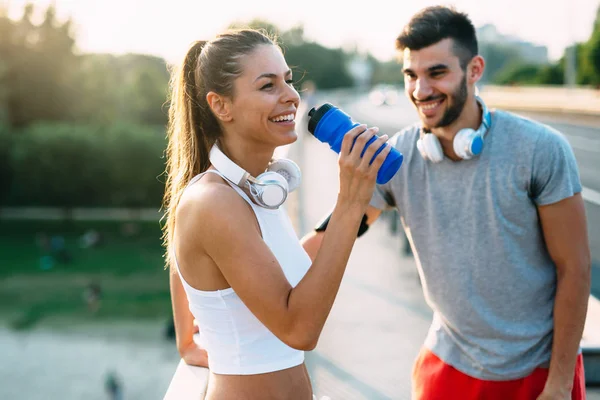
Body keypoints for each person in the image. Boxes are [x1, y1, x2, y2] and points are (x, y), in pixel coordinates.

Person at [301, 6, 591, 400]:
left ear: (474, 70)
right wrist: (242, 289)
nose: (420, 90)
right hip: (448, 368)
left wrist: (557, 386)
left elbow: (574, 269)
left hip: (540, 372)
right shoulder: (396, 158)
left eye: (437, 73)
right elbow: (331, 236)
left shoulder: (540, 149)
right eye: (411, 75)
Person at [162, 28, 391, 400]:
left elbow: (283, 267)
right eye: (268, 86)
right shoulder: (213, 201)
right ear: (221, 106)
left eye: (288, 80)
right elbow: (300, 330)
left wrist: (369, 203)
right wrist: (349, 201)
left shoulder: (256, 189)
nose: (292, 97)